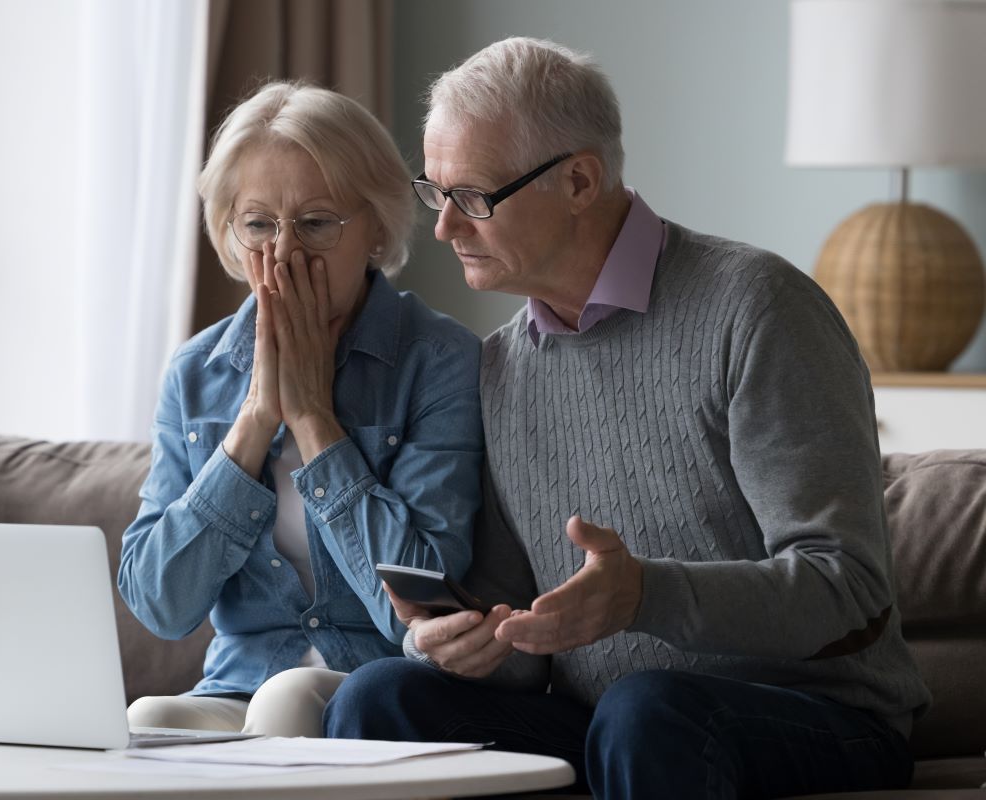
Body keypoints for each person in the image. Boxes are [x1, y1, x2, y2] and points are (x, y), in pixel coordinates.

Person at [323, 37, 931, 799]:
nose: (445, 228)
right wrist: (462, 639)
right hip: (614, 720)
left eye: (473, 197)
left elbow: (846, 586)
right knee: (378, 697)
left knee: (647, 712)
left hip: (818, 715)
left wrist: (648, 595)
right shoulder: (503, 368)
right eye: (434, 192)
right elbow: (527, 647)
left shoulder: (757, 309)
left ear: (580, 180)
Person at [118, 81, 483, 738]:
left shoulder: (441, 361)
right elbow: (159, 603)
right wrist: (256, 419)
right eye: (259, 224)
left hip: (375, 679)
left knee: (284, 704)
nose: (283, 253)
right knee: (148, 720)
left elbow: (417, 608)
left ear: (374, 225)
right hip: (241, 678)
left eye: (316, 223)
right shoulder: (197, 373)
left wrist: (315, 421)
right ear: (230, 233)